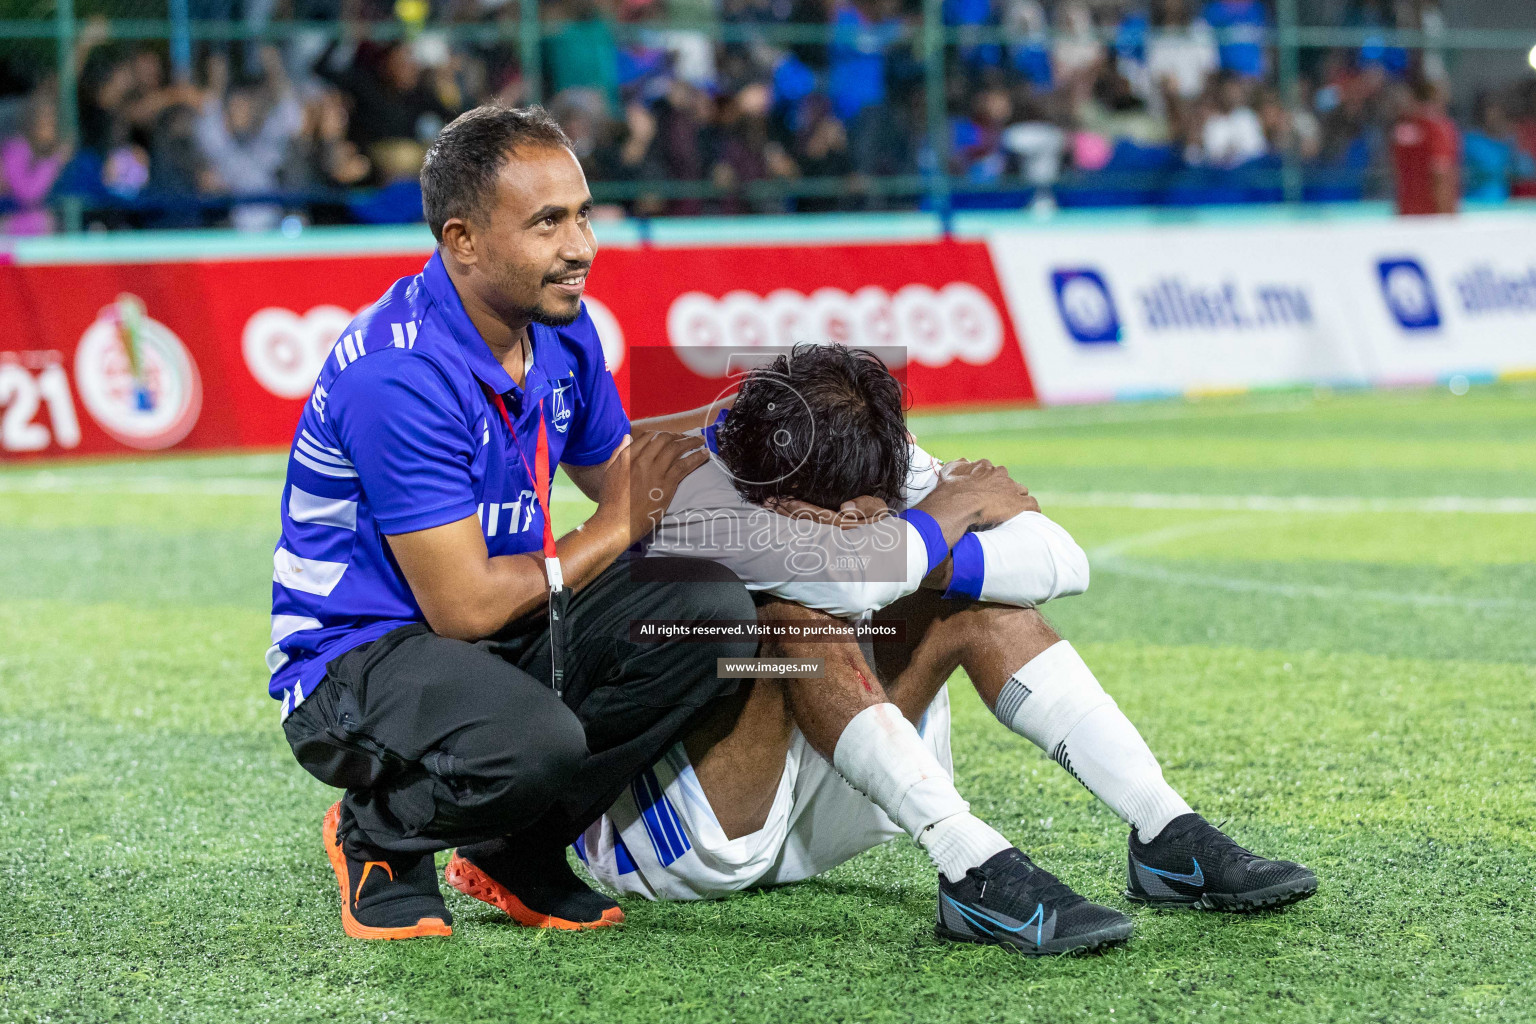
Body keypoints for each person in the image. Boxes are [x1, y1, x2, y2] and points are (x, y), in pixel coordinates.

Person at [579, 345, 1319, 956]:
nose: (853, 525)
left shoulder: (865, 448)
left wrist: (925, 544)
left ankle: (1165, 833)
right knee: (794, 613)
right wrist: (952, 512)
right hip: (683, 839)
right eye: (825, 518)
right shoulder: (685, 484)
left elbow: (1062, 558)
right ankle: (972, 865)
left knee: (978, 603)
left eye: (868, 512)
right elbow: (850, 574)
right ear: (775, 495)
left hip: (818, 805)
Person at [271, 105, 757, 941]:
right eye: (547, 223)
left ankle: (513, 845)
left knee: (711, 611)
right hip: (354, 657)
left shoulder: (559, 333)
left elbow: (630, 483)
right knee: (535, 743)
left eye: (583, 214)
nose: (581, 247)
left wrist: (779, 453)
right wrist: (619, 522)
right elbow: (464, 606)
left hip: (488, 625)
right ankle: (379, 834)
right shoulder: (400, 373)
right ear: (462, 240)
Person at [1391, 76, 1459, 216]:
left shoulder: (1402, 130)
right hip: (1432, 217)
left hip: (1407, 214)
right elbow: (1440, 173)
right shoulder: (1438, 129)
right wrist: (1448, 218)